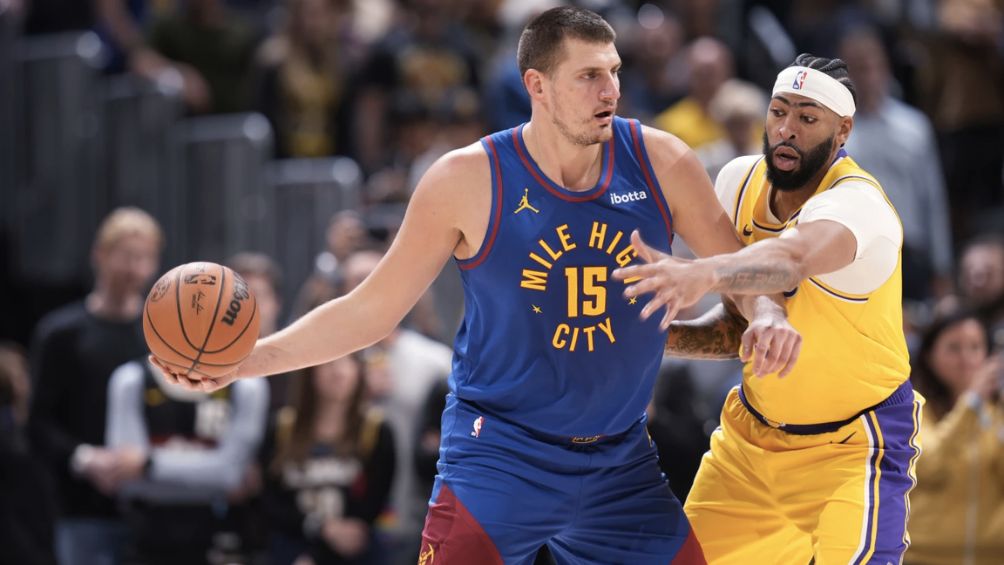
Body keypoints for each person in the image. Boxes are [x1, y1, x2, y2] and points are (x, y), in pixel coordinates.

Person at [155, 7, 800, 563]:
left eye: (614, 72)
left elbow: (740, 269)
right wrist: (247, 360)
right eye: (588, 76)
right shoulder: (467, 179)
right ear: (536, 86)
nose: (610, 90)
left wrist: (766, 314)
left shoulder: (660, 160)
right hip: (501, 457)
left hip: (619, 461)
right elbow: (370, 311)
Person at [614, 54, 923, 563]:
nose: (786, 129)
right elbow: (738, 328)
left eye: (807, 118)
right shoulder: (738, 181)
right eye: (778, 112)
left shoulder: (858, 204)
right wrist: (655, 335)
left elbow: (791, 259)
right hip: (752, 445)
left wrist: (703, 272)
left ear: (842, 131)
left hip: (852, 447)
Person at [28, 207, 163, 565]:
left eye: (144, 258)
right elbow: (37, 421)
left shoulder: (161, 336)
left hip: (155, 507)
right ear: (99, 255)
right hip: (82, 510)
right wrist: (85, 459)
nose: (134, 269)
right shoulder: (62, 333)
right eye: (126, 256)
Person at [260, 353, 395, 565]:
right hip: (291, 548)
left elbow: (374, 504)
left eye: (348, 361)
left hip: (355, 552)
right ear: (309, 370)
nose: (338, 371)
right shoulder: (282, 428)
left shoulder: (376, 431)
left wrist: (322, 552)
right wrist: (318, 530)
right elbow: (270, 499)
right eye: (329, 362)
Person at [907, 310, 1004, 564]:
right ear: (929, 355)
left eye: (975, 347)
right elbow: (927, 467)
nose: (966, 359)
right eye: (954, 348)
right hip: (923, 557)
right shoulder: (915, 409)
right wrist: (969, 405)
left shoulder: (997, 413)